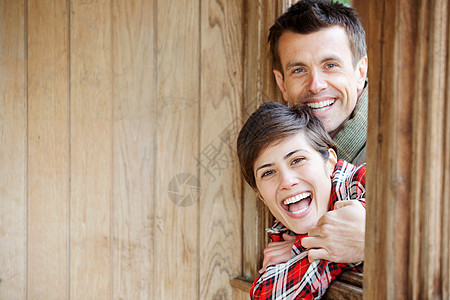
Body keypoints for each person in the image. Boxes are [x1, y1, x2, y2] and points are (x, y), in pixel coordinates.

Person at [266, 0, 368, 268]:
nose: (315, 85)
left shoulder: (409, 141)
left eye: (330, 65)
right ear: (282, 84)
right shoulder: (278, 145)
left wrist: (373, 239)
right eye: (299, 70)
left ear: (360, 72)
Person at [237, 102, 366, 299]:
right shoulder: (284, 232)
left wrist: (303, 249)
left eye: (297, 160)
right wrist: (321, 244)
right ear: (261, 195)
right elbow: (265, 294)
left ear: (330, 162)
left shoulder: (363, 181)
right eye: (269, 172)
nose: (287, 182)